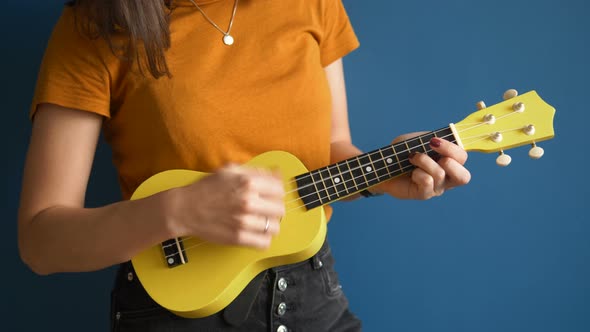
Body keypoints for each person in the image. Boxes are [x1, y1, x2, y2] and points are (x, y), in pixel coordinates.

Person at [18, 0, 471, 331]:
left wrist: (385, 174)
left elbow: (328, 150)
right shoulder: (93, 25)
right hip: (178, 310)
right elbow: (41, 241)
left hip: (314, 294)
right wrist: (177, 210)